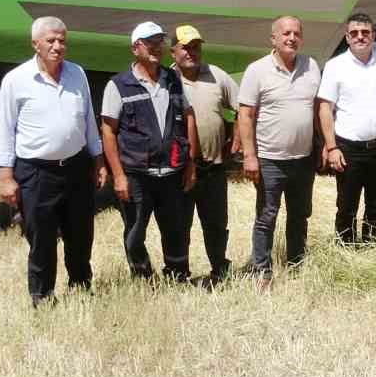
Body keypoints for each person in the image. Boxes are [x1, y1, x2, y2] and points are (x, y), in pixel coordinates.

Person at [0, 17, 108, 305]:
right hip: (36, 172)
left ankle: (81, 287)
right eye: (51, 41)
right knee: (41, 238)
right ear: (35, 44)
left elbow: (88, 121)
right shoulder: (16, 80)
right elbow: (5, 131)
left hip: (76, 168)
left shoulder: (77, 74)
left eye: (62, 40)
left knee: (81, 233)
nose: (58, 46)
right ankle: (42, 296)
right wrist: (6, 178)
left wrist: (98, 160)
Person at [100, 22, 198, 284]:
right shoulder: (119, 85)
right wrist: (118, 176)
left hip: (171, 173)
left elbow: (188, 117)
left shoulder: (172, 79)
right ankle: (143, 278)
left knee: (175, 229)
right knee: (135, 231)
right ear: (135, 48)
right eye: (150, 42)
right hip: (136, 175)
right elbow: (108, 132)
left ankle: (178, 276)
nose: (157, 47)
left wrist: (190, 163)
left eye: (160, 42)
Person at [238, 15, 321, 284]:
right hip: (270, 160)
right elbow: (246, 114)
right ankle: (262, 270)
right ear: (273, 38)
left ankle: (296, 263)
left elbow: (319, 110)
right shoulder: (257, 70)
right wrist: (250, 156)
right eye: (285, 33)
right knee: (266, 216)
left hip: (303, 159)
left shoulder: (311, 66)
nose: (291, 38)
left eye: (296, 33)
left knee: (299, 215)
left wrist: (323, 146)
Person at [317, 13, 376, 244]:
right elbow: (325, 108)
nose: (360, 37)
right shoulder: (335, 66)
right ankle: (345, 249)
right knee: (347, 206)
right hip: (348, 149)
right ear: (347, 37)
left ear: (373, 36)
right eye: (354, 33)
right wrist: (332, 147)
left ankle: (372, 248)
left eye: (365, 32)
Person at [172, 24, 239, 284]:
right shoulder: (166, 80)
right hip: (180, 170)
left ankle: (220, 270)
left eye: (196, 47)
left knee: (216, 225)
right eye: (185, 48)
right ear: (173, 52)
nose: (191, 52)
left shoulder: (216, 75)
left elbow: (242, 106)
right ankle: (179, 275)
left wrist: (237, 137)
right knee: (179, 226)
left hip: (213, 168)